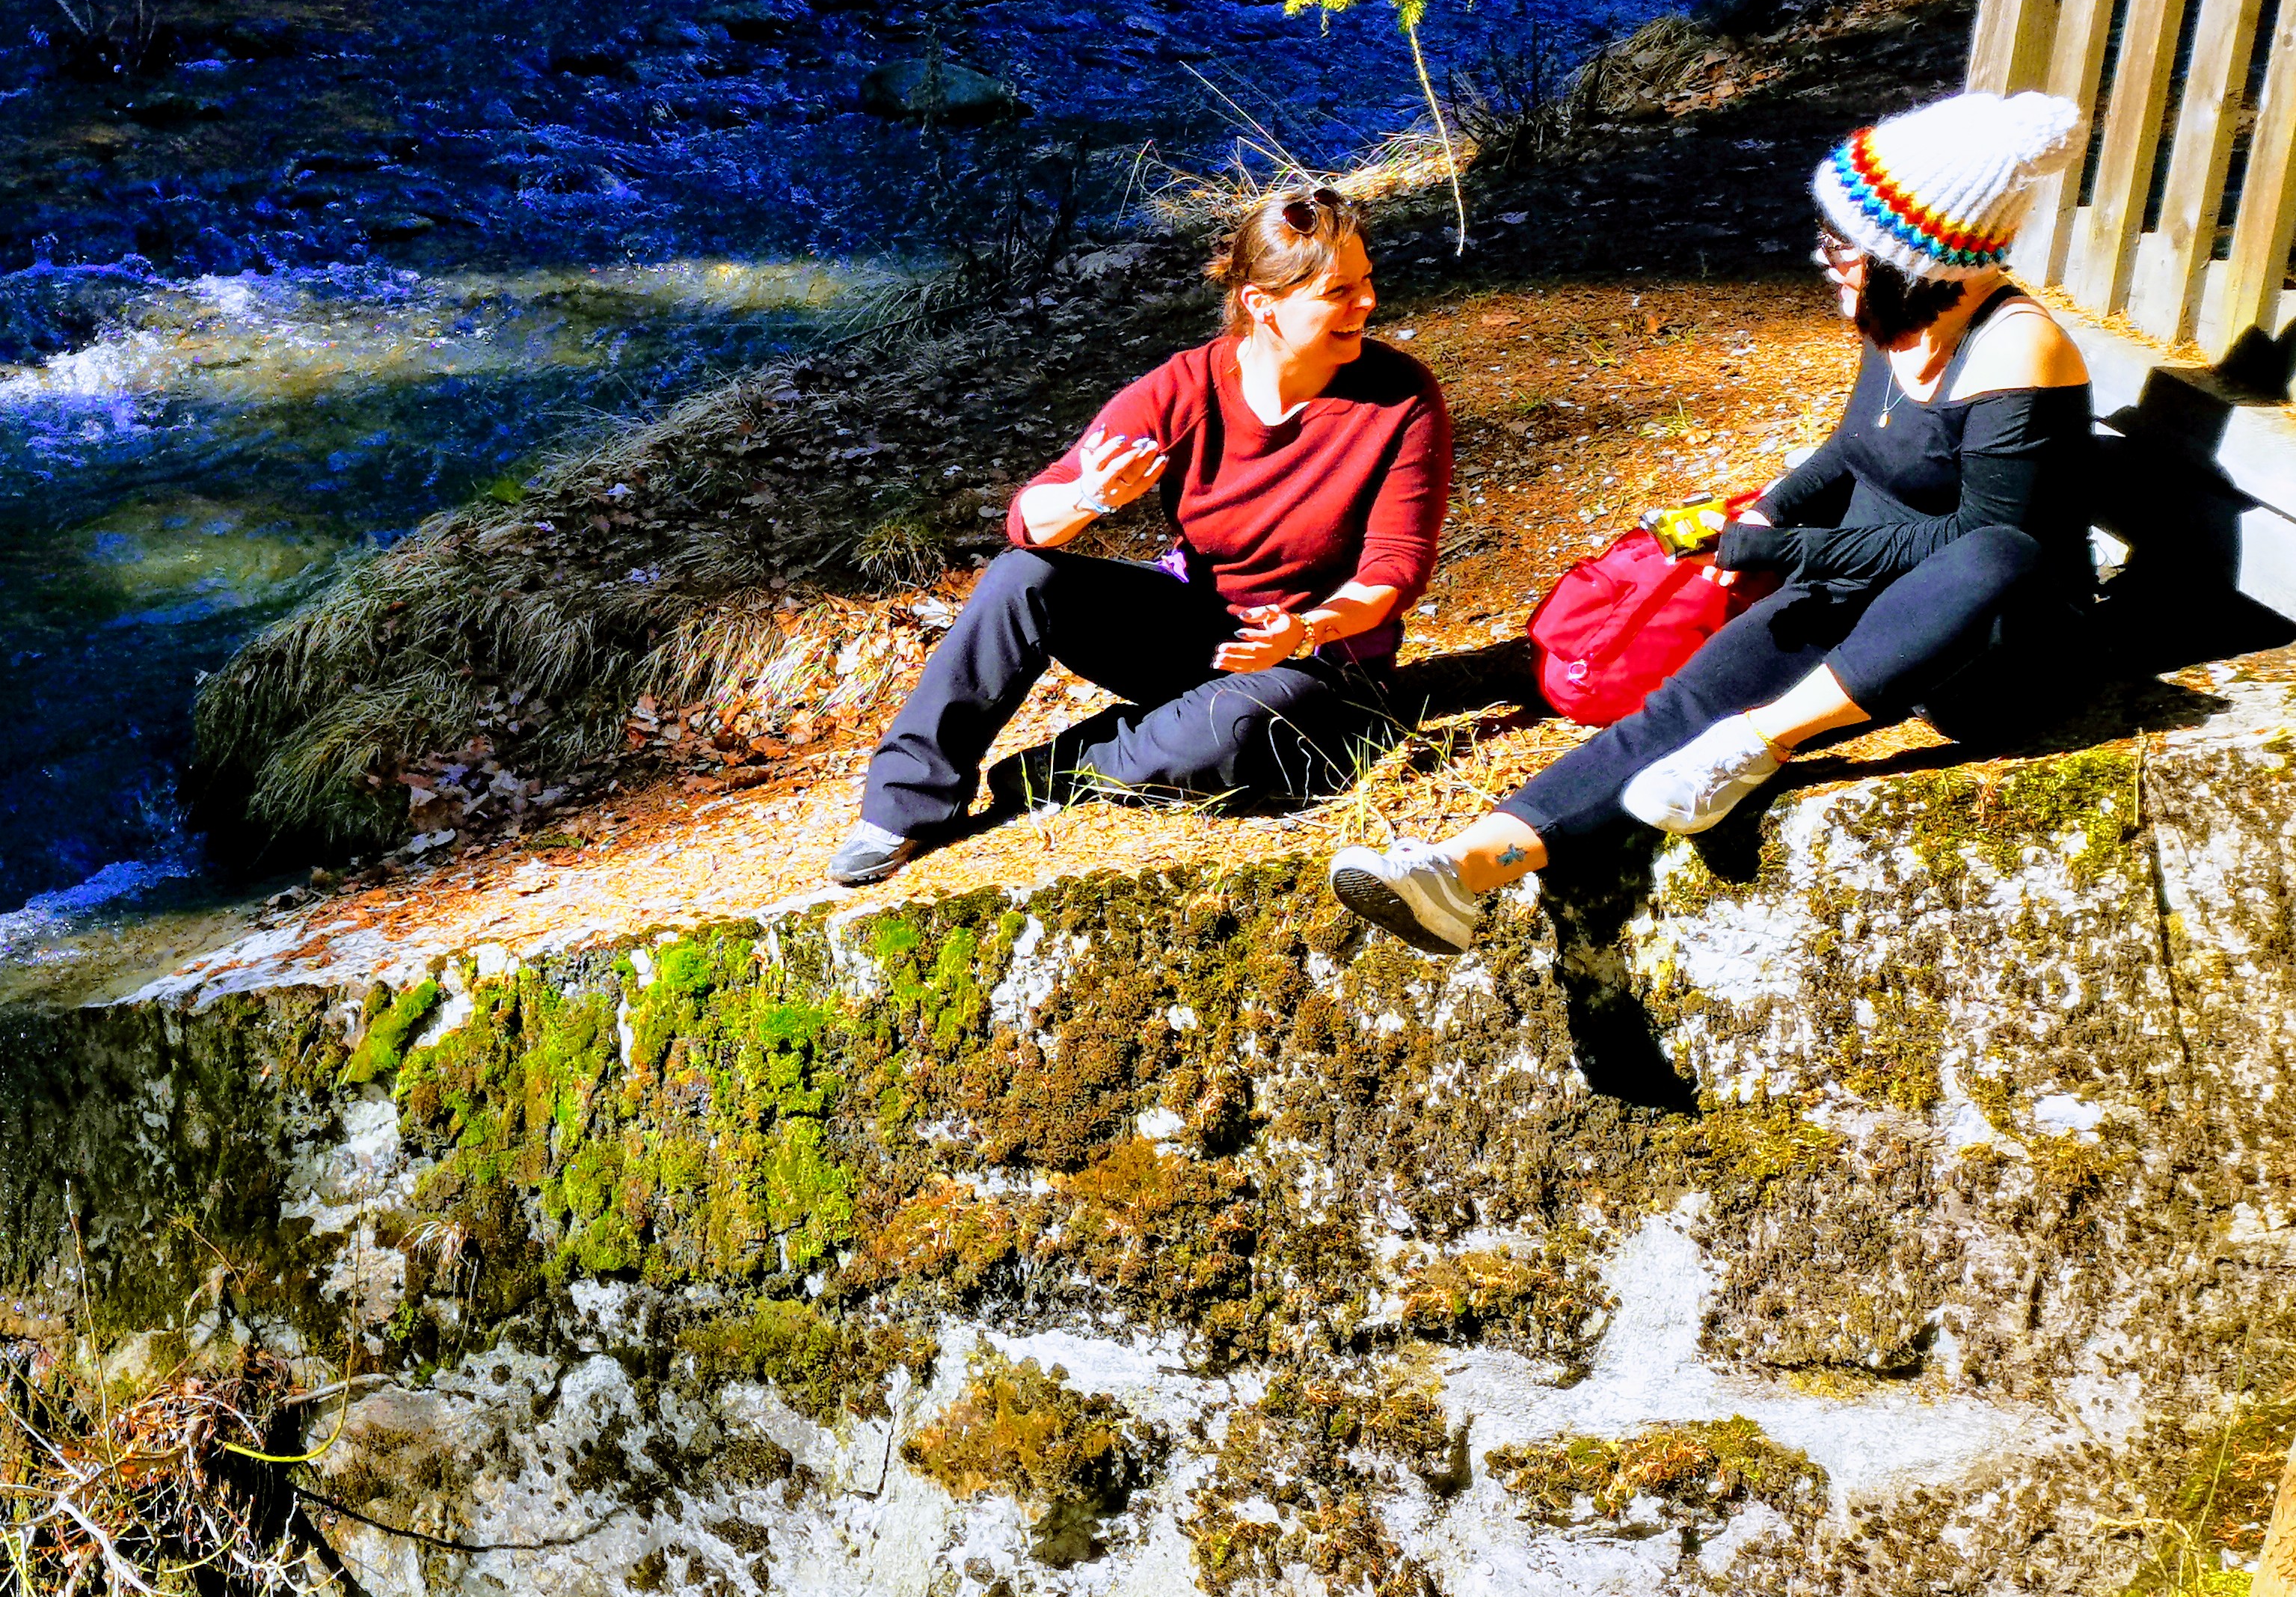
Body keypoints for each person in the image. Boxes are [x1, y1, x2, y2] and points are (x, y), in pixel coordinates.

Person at [1328, 87, 2100, 954]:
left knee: (1995, 550)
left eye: (1843, 245)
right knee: (1678, 711)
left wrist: (1786, 547)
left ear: (1918, 260)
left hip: (1995, 646)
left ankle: (1758, 744)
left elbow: (1983, 538)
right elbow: (1851, 453)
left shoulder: (2018, 347)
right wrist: (1767, 510)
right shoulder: (1900, 324)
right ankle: (1458, 872)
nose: (1826, 258)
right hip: (1861, 597)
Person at [826, 186, 1450, 889]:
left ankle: (1062, 767)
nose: (1366, 304)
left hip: (1315, 662)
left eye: (1367, 283)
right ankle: (904, 808)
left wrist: (1305, 631)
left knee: (1243, 727)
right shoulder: (1188, 386)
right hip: (1197, 629)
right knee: (1020, 579)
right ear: (1261, 303)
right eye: (1339, 291)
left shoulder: (1400, 397)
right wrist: (1091, 496)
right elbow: (1027, 521)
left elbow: (1394, 571)